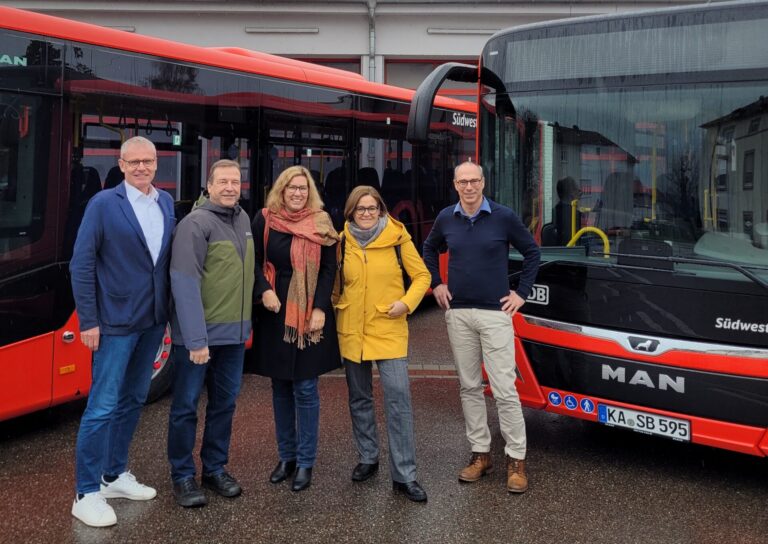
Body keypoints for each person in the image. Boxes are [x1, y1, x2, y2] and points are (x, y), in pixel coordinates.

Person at [69, 136, 175, 526]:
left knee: (133, 399)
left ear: (156, 164)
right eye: (134, 162)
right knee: (101, 405)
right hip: (113, 323)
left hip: (151, 320)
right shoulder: (102, 204)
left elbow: (161, 263)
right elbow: (81, 265)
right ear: (122, 164)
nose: (142, 167)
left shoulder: (164, 202)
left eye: (148, 161)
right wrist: (89, 321)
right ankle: (86, 492)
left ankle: (113, 475)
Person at [422, 161, 540, 494]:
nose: (469, 187)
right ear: (455, 184)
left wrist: (522, 294)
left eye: (474, 181)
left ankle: (516, 460)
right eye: (463, 182)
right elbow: (429, 248)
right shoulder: (447, 217)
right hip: (458, 313)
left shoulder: (503, 216)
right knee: (469, 386)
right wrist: (436, 283)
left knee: (504, 388)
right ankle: (480, 454)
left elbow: (532, 253)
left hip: (495, 314)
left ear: (483, 183)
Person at [167, 159, 255, 507]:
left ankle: (215, 468)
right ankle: (183, 476)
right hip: (198, 340)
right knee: (186, 407)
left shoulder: (244, 219)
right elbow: (184, 282)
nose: (230, 188)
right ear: (209, 185)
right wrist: (196, 340)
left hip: (233, 338)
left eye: (235, 182)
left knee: (224, 405)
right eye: (223, 182)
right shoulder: (195, 224)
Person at [335, 186, 431, 502]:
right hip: (352, 328)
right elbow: (335, 284)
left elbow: (422, 277)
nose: (366, 213)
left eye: (371, 208)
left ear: (381, 209)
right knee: (359, 398)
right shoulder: (341, 241)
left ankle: (404, 475)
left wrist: (406, 304)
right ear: (351, 212)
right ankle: (367, 457)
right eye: (360, 209)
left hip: (388, 326)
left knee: (398, 400)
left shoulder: (398, 238)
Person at [250, 165, 340, 492]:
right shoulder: (264, 219)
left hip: (308, 315)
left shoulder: (321, 222)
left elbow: (330, 268)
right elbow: (255, 262)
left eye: (303, 188)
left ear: (309, 192)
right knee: (280, 388)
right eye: (292, 188)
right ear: (282, 190)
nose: (298, 193)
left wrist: (319, 308)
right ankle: (285, 457)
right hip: (275, 313)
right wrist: (265, 290)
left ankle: (305, 462)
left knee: (305, 388)